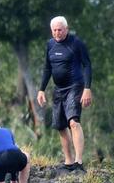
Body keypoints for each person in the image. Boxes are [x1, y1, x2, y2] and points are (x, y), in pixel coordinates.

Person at [36, 15, 93, 172]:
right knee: (61, 126)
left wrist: (87, 88)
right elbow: (47, 68)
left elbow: (87, 65)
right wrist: (41, 89)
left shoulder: (76, 43)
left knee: (73, 122)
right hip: (58, 88)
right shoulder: (50, 45)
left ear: (66, 29)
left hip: (75, 86)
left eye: (60, 30)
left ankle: (79, 162)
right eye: (54, 30)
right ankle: (68, 161)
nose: (57, 33)